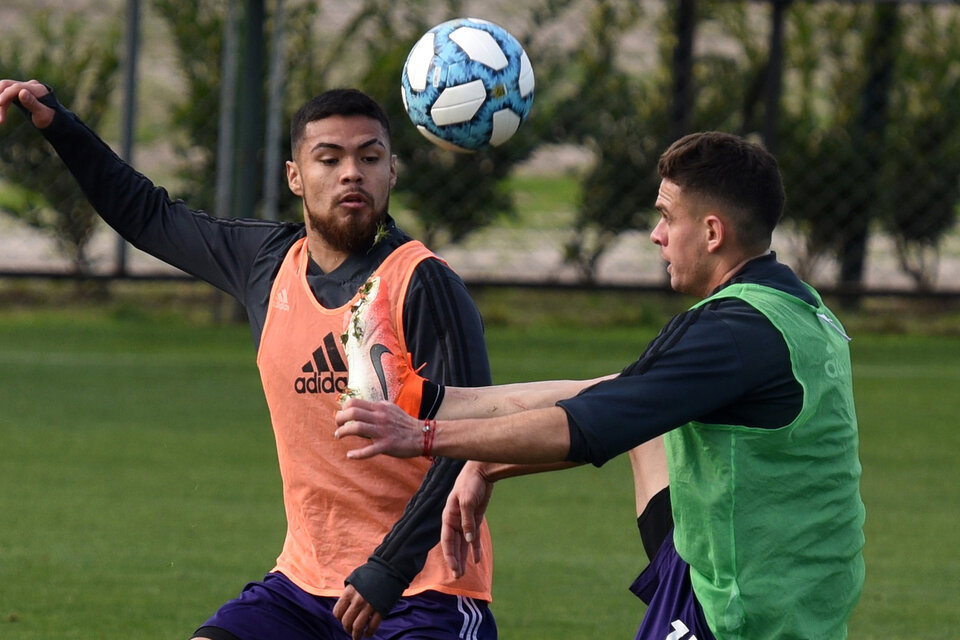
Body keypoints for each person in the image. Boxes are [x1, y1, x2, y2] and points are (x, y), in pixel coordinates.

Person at [0, 79, 497, 640]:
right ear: (294, 176)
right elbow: (148, 216)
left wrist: (390, 568)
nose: (351, 172)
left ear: (391, 171)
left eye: (369, 156)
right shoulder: (265, 262)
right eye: (328, 158)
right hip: (303, 588)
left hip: (423, 590)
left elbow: (469, 437)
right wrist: (58, 126)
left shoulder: (423, 283)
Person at [335, 131, 867, 639]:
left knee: (622, 419)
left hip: (745, 615)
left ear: (711, 232)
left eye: (666, 217)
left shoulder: (729, 333)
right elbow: (611, 394)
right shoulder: (796, 307)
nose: (656, 234)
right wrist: (434, 407)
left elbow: (585, 427)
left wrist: (424, 437)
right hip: (787, 588)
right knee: (640, 416)